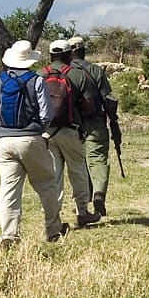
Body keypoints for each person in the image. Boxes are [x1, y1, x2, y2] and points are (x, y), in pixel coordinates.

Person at [0, 40, 67, 246]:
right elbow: (46, 113)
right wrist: (38, 129)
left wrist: (3, 126)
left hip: (4, 141)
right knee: (47, 184)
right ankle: (53, 229)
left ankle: (9, 235)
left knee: (9, 190)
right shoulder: (36, 80)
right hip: (31, 138)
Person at [43, 39, 101, 228]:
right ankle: (82, 212)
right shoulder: (77, 75)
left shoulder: (40, 74)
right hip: (71, 130)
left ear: (51, 56)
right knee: (78, 171)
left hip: (47, 132)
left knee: (54, 175)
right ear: (69, 55)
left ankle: (53, 217)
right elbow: (88, 105)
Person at [67, 35, 121, 218]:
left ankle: (82, 204)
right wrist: (113, 121)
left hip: (71, 125)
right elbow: (107, 98)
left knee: (77, 163)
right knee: (97, 160)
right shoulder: (95, 71)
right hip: (95, 122)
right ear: (83, 51)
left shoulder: (64, 72)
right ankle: (98, 194)